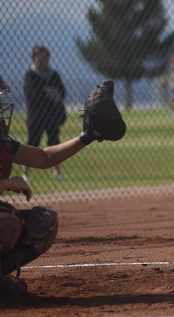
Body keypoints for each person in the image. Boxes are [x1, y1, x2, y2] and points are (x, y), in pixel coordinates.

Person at [0, 78, 103, 296]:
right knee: (6, 221)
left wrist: (86, 138)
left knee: (42, 224)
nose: (1, 107)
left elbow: (44, 157)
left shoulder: (3, 144)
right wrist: (7, 183)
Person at [22, 45, 67, 181]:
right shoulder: (31, 75)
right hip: (36, 116)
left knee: (54, 143)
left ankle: (56, 172)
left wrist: (48, 92)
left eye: (45, 56)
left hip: (52, 116)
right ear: (34, 58)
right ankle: (25, 173)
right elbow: (34, 93)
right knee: (32, 143)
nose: (43, 59)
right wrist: (50, 92)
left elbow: (62, 92)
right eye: (40, 56)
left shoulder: (53, 74)